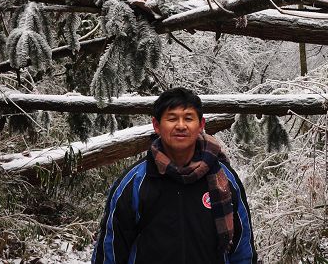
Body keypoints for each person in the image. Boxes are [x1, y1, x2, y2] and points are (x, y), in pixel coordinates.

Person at [92, 87, 256, 264]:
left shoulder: (223, 178)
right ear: (156, 125)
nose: (180, 126)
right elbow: (111, 250)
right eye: (172, 118)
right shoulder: (134, 182)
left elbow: (242, 247)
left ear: (201, 125)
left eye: (188, 118)